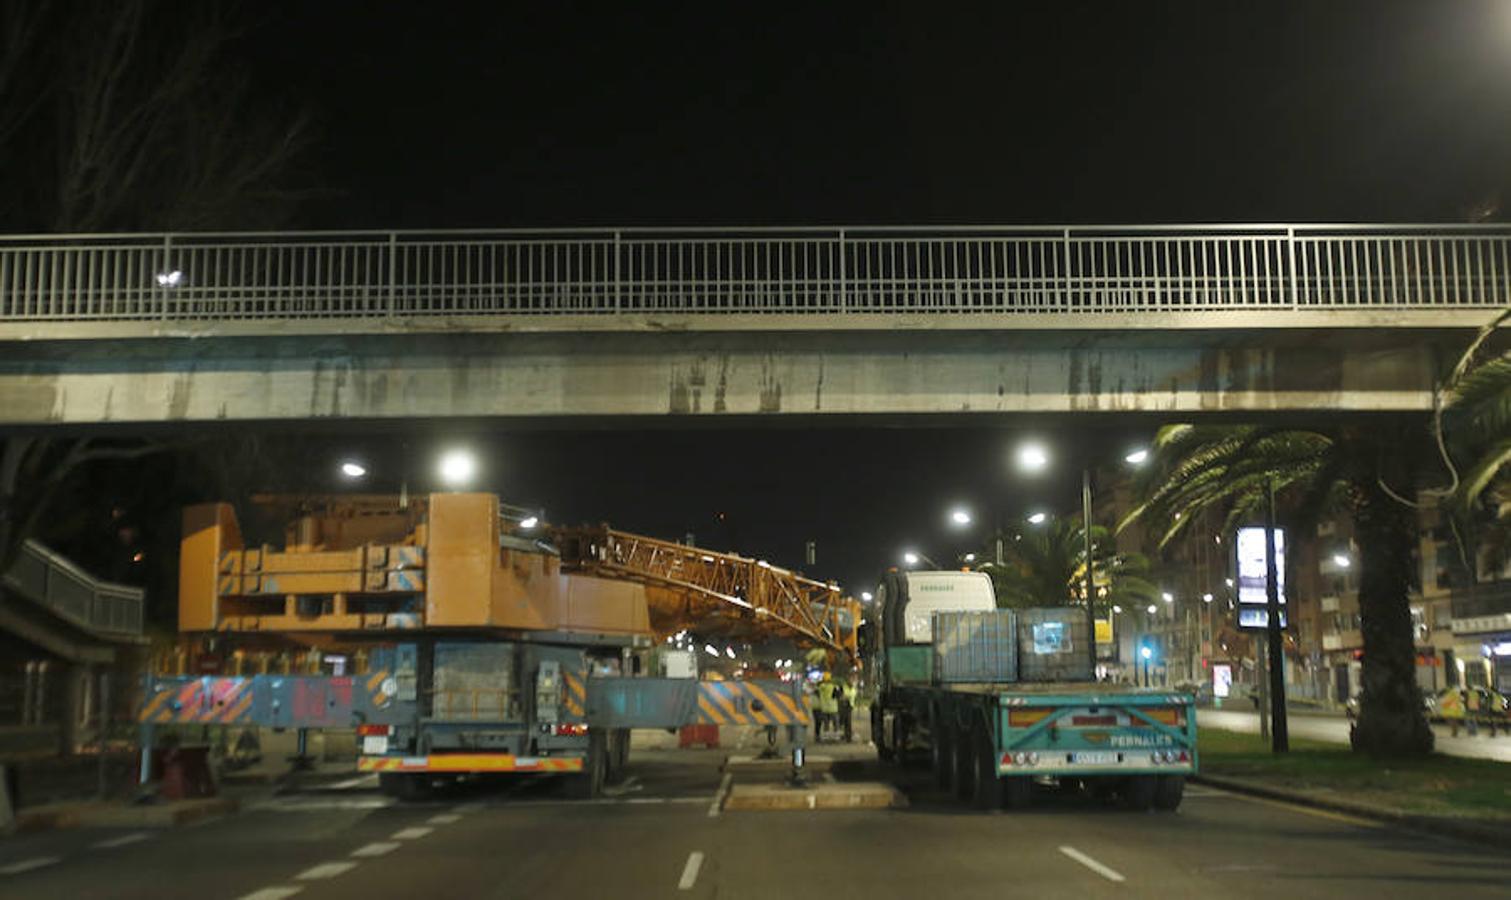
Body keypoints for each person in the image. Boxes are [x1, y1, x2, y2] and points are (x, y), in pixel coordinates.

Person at [816, 674, 840, 741]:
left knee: (826, 723)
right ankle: (836, 736)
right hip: (833, 708)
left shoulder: (820, 687)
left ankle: (826, 736)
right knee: (835, 723)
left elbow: (817, 688)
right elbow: (838, 695)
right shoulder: (834, 687)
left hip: (824, 708)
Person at [838, 677, 857, 743]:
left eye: (853, 681)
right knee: (842, 722)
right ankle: (842, 736)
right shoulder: (843, 687)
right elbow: (840, 696)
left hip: (850, 707)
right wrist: (843, 698)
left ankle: (848, 737)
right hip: (843, 706)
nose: (852, 682)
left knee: (848, 722)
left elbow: (854, 697)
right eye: (851, 680)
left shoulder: (854, 688)